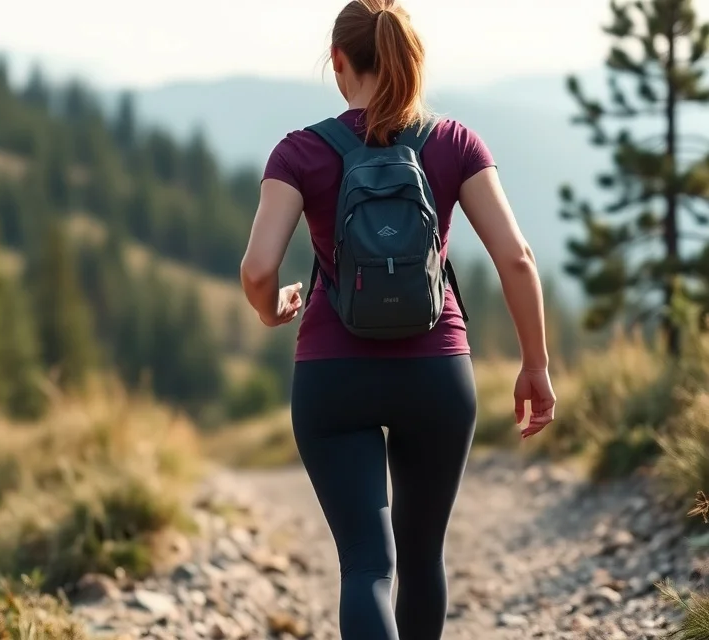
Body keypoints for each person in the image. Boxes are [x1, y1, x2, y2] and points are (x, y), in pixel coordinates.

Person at [238, 1, 557, 638]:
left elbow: (256, 269)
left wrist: (274, 310)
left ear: (338, 63)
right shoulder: (455, 143)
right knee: (421, 558)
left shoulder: (300, 152)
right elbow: (517, 259)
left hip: (333, 374)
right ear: (410, 61)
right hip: (436, 372)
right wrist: (535, 364)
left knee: (367, 566)